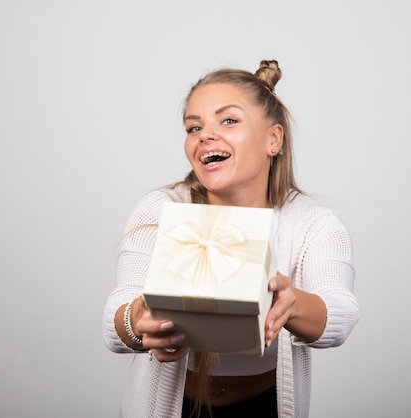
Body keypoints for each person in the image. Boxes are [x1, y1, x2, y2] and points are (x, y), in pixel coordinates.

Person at [102, 59, 360, 418]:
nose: (205, 135)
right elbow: (116, 316)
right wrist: (138, 320)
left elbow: (342, 312)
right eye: (194, 127)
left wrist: (292, 303)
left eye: (228, 120)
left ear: (273, 138)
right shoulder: (161, 209)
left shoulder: (313, 223)